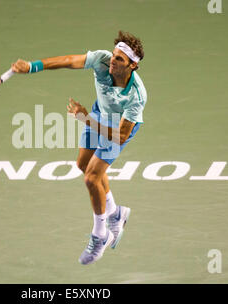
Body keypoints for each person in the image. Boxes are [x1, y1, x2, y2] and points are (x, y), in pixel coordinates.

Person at [11, 31, 147, 265]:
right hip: (98, 113)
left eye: (120, 60)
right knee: (83, 165)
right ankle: (116, 212)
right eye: (114, 56)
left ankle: (100, 234)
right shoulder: (103, 60)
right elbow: (68, 61)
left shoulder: (136, 96)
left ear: (133, 65)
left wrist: (85, 119)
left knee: (92, 178)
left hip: (117, 128)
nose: (113, 61)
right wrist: (33, 66)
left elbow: (120, 137)